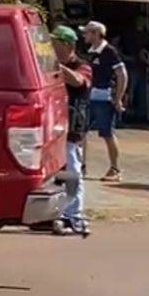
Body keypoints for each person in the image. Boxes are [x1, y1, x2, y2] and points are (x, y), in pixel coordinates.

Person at [51, 25, 91, 236]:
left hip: (72, 126)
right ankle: (55, 213)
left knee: (73, 170)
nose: (52, 47)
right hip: (52, 125)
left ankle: (75, 216)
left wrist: (56, 65)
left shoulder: (82, 65)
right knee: (54, 172)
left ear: (67, 45)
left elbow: (78, 80)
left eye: (56, 44)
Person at [82, 20, 128, 181]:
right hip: (88, 96)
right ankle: (82, 166)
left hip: (103, 97)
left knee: (107, 133)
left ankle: (115, 169)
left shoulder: (109, 51)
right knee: (81, 131)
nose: (84, 35)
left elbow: (122, 75)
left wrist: (118, 98)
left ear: (96, 34)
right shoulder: (90, 51)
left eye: (87, 32)